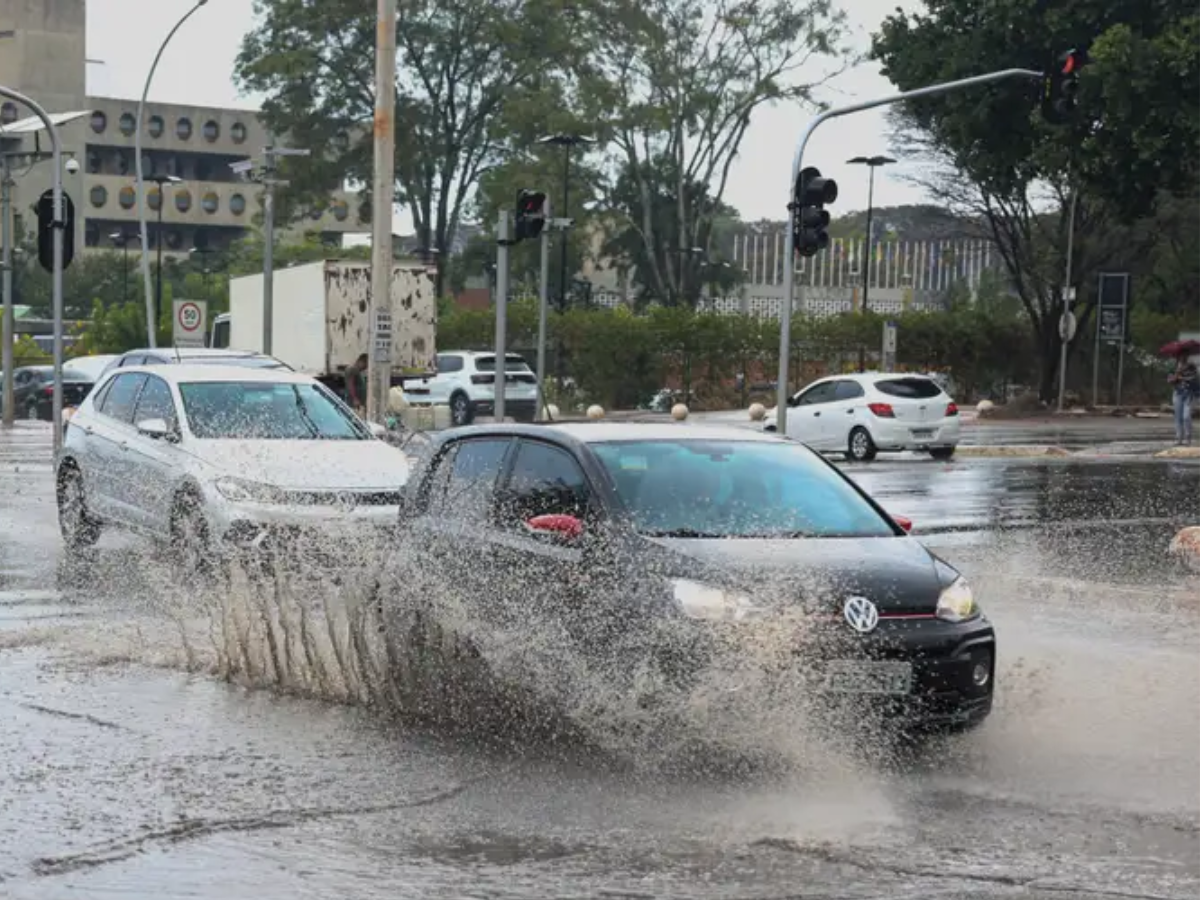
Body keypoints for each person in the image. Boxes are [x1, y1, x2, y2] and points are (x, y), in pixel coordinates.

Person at [1167, 350, 1199, 445]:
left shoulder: (1191, 366)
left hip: (1189, 394)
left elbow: (1194, 379)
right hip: (1178, 394)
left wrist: (1181, 377)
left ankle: (1188, 437)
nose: (1183, 357)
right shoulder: (1173, 367)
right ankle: (1179, 438)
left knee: (1186, 416)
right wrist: (1174, 378)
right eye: (1181, 355)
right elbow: (1169, 380)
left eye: (1185, 355)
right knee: (1178, 417)